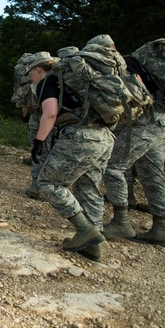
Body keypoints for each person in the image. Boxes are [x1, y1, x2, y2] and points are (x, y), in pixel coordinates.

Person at [27, 43, 115, 262]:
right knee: (88, 186)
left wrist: (39, 141)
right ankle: (93, 245)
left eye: (30, 73)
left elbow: (50, 113)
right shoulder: (74, 82)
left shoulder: (48, 81)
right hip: (104, 138)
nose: (30, 77)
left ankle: (85, 230)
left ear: (38, 69)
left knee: (48, 183)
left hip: (80, 138)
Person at [102, 54, 165, 248]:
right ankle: (161, 230)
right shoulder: (138, 63)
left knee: (112, 167)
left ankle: (121, 223)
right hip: (161, 121)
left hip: (143, 124)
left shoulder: (121, 66)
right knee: (153, 173)